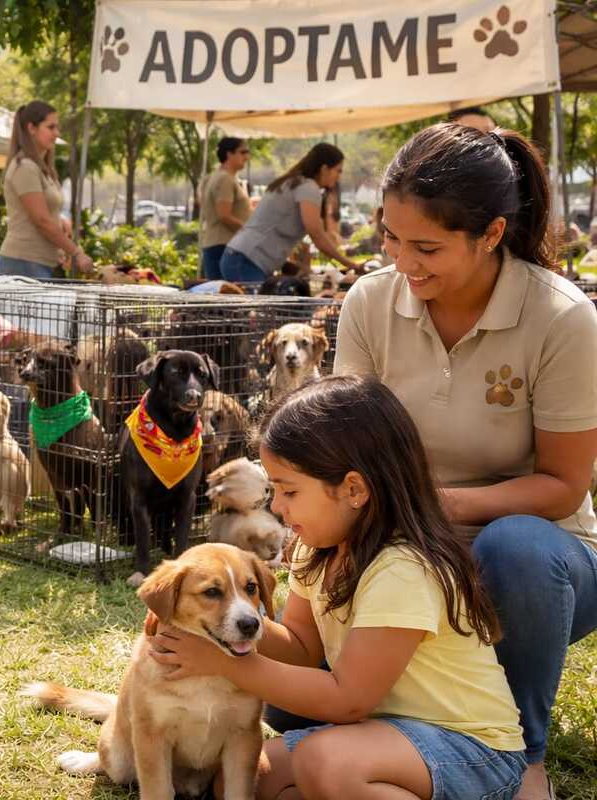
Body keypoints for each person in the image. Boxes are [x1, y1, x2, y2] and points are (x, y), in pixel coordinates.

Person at [333, 123, 597, 800]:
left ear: (491, 234)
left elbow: (565, 488)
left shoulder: (562, 319)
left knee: (518, 551)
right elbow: (344, 446)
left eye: (426, 247)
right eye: (390, 238)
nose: (402, 262)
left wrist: (445, 509)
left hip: (539, 560)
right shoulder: (369, 303)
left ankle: (522, 753)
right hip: (407, 545)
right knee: (293, 713)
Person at [149, 375, 527, 799]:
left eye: (289, 491)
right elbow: (300, 649)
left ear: (353, 489)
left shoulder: (402, 569)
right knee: (244, 776)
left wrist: (221, 663)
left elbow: (347, 700)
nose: (276, 506)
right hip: (384, 735)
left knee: (325, 763)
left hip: (470, 750)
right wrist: (199, 618)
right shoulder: (318, 550)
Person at [222, 143, 359, 283]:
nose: (339, 177)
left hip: (241, 256)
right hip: (247, 260)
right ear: (324, 169)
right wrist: (350, 264)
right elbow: (317, 235)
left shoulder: (293, 182)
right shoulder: (308, 188)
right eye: (338, 171)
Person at [0, 100, 93, 279]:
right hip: (23, 263)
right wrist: (76, 251)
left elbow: (46, 214)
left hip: (40, 263)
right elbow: (41, 220)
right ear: (31, 128)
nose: (57, 133)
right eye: (51, 127)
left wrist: (60, 221)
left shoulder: (42, 168)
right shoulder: (24, 167)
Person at [199, 136, 251, 280]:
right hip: (224, 246)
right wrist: (249, 232)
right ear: (229, 154)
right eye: (243, 152)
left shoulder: (211, 177)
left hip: (217, 245)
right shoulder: (225, 179)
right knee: (228, 296)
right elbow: (224, 215)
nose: (247, 157)